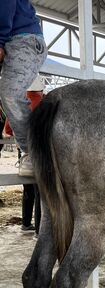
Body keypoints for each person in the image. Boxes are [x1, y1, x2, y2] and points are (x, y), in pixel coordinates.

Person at [0, 0, 47, 177]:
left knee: (10, 93)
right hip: (10, 38)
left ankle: (33, 153)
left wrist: (0, 39)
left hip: (23, 38)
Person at [3, 74, 44, 236]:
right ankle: (40, 231)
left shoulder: (18, 103)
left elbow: (7, 131)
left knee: (28, 190)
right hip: (40, 152)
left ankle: (26, 224)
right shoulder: (43, 103)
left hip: (24, 154)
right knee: (41, 192)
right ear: (40, 89)